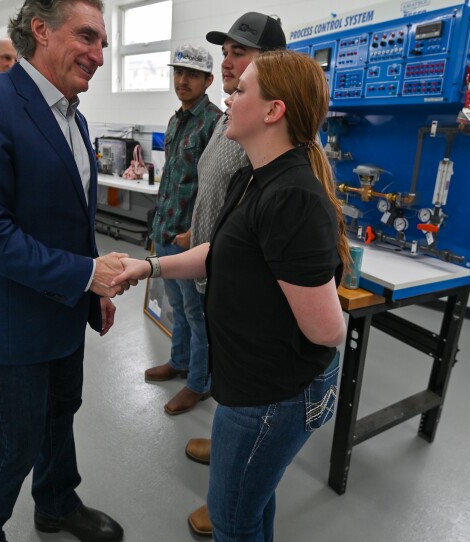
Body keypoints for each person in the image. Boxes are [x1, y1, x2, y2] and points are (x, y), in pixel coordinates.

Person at [112, 50, 350, 542]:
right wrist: (149, 266)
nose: (228, 95)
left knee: (232, 518)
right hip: (247, 384)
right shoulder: (251, 178)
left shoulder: (293, 200)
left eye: (241, 89)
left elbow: (327, 330)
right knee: (250, 501)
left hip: (273, 396)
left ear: (273, 111)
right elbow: (214, 252)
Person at [0, 1, 127, 541]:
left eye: (103, 43)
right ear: (40, 30)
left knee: (62, 409)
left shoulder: (73, 113)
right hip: (12, 311)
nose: (98, 54)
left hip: (66, 302)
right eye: (86, 37)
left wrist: (93, 289)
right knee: (16, 436)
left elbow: (72, 216)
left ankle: (56, 503)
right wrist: (85, 275)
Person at [182, 12, 287, 536]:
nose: (227, 61)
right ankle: (228, 453)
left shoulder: (267, 127)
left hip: (232, 280)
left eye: (238, 53)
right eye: (225, 52)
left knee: (247, 392)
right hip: (208, 268)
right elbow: (213, 188)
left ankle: (235, 489)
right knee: (226, 383)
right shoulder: (230, 114)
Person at [144, 45, 222, 416]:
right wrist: (156, 225)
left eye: (191, 74)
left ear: (209, 80)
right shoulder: (176, 120)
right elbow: (171, 180)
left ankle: (199, 382)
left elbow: (215, 186)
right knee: (176, 306)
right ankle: (179, 362)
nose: (182, 80)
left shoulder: (216, 124)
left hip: (189, 240)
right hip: (164, 230)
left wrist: (194, 231)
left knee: (196, 311)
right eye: (178, 72)